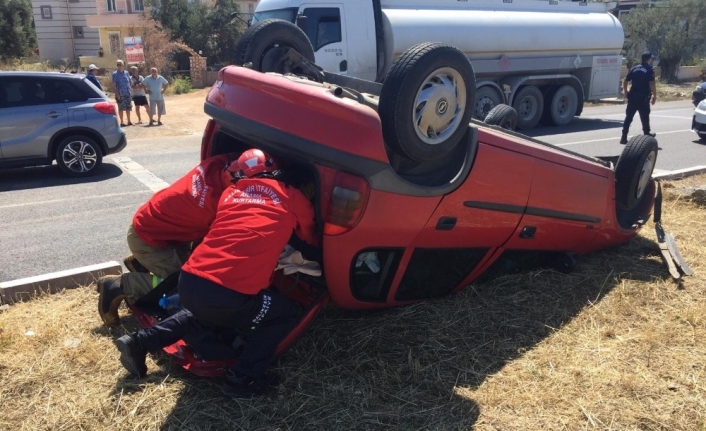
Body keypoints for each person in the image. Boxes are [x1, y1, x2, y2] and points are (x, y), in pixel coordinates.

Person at [115, 149, 319, 398]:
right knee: (285, 313)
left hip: (189, 282)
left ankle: (139, 342)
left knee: (204, 312)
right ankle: (243, 379)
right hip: (226, 294)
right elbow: (311, 238)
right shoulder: (291, 196)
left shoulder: (230, 193)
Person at [97, 153, 237, 327]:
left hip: (161, 231)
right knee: (185, 288)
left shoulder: (216, 164)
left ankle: (141, 264)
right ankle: (119, 285)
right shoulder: (216, 205)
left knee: (190, 273)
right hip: (149, 240)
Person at [620, 51, 657, 144]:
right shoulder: (649, 69)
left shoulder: (634, 68)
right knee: (645, 117)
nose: (651, 60)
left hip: (632, 96)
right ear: (648, 59)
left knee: (628, 117)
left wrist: (625, 92)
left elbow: (625, 81)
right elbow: (652, 83)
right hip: (643, 97)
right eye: (651, 59)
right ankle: (646, 135)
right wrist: (655, 96)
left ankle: (623, 137)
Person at [112, 60, 133, 127]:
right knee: (121, 108)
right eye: (118, 64)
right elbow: (114, 85)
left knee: (128, 107)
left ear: (123, 65)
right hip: (120, 93)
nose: (119, 66)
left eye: (120, 64)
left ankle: (129, 121)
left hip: (127, 92)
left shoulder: (126, 73)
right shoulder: (115, 74)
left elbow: (129, 81)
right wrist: (117, 94)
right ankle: (122, 122)